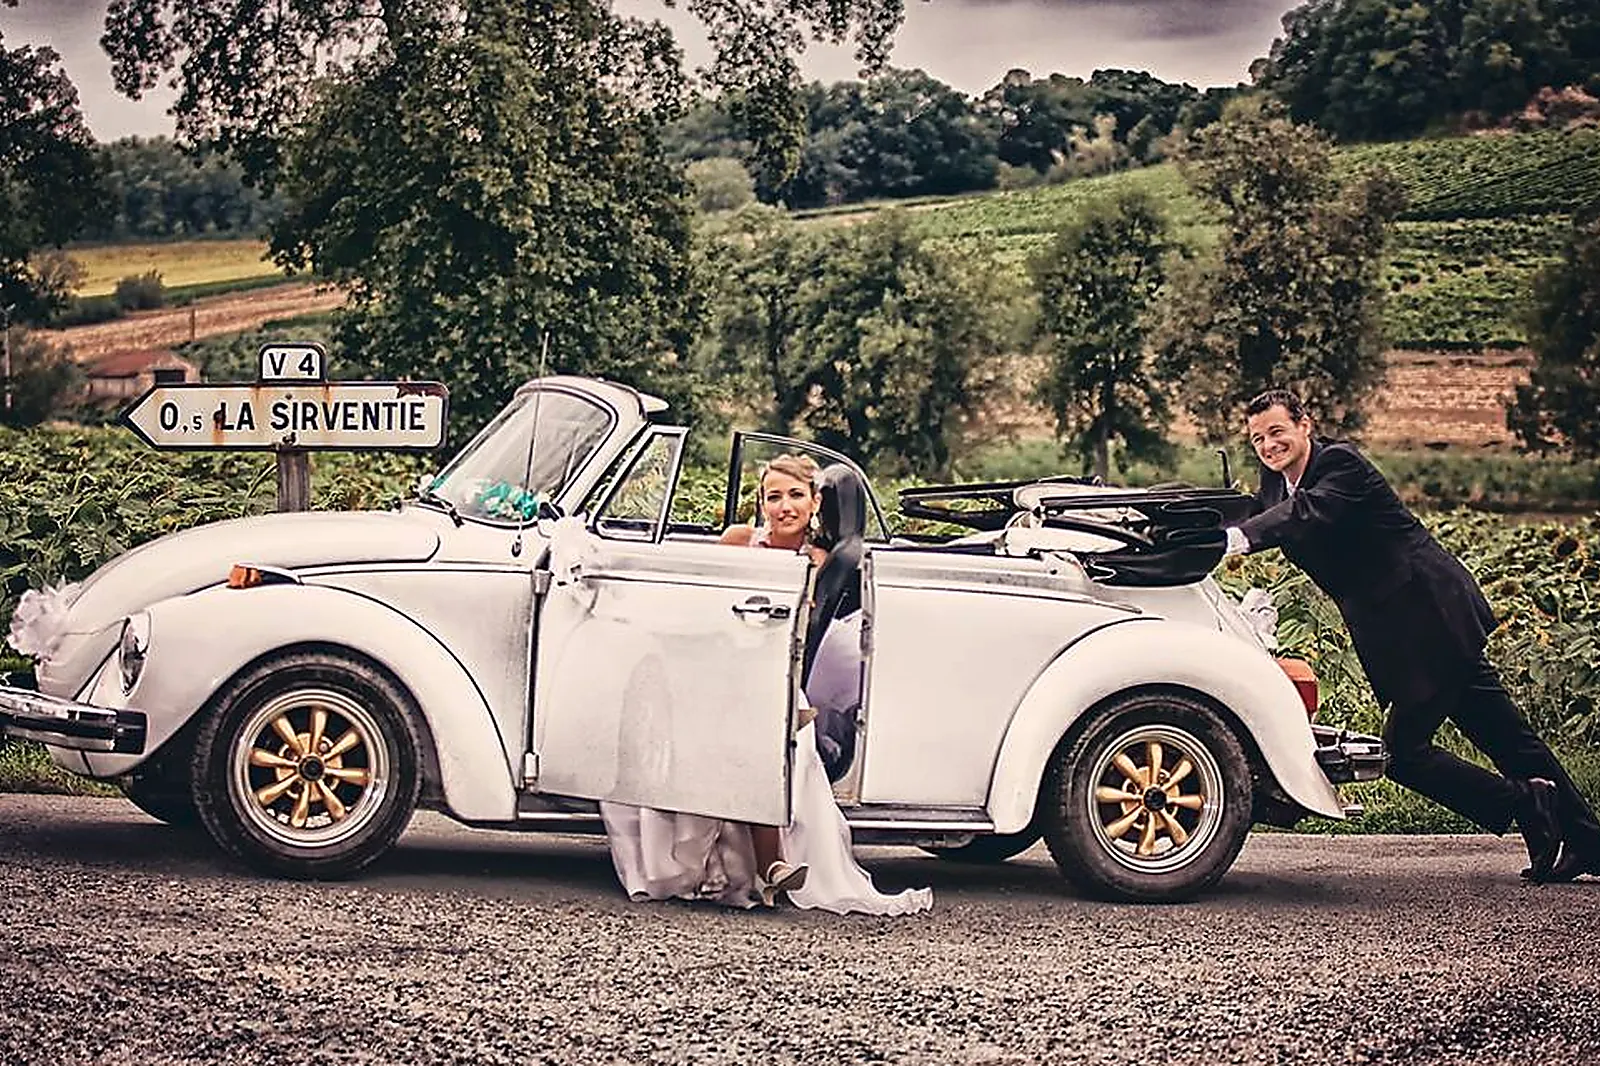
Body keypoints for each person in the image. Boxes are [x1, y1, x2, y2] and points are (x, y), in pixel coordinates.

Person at [1223, 388, 1600, 883]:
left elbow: (1303, 516)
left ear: (1305, 425)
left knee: (1403, 752)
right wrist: (1181, 523)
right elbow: (1252, 510)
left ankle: (1528, 803)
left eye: (1277, 432)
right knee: (1508, 738)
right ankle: (1584, 840)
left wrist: (1239, 540)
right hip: (1402, 631)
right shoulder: (1275, 486)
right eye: (1258, 439)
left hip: (1431, 615)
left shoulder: (1342, 467)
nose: (1269, 446)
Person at [600, 455, 933, 914]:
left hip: (772, 678)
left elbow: (797, 633)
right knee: (740, 728)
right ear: (761, 503)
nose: (784, 507)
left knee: (758, 735)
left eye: (796, 495)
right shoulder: (739, 540)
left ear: (815, 502)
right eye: (773, 497)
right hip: (717, 667)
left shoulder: (817, 561)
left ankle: (772, 866)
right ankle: (762, 864)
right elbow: (704, 601)